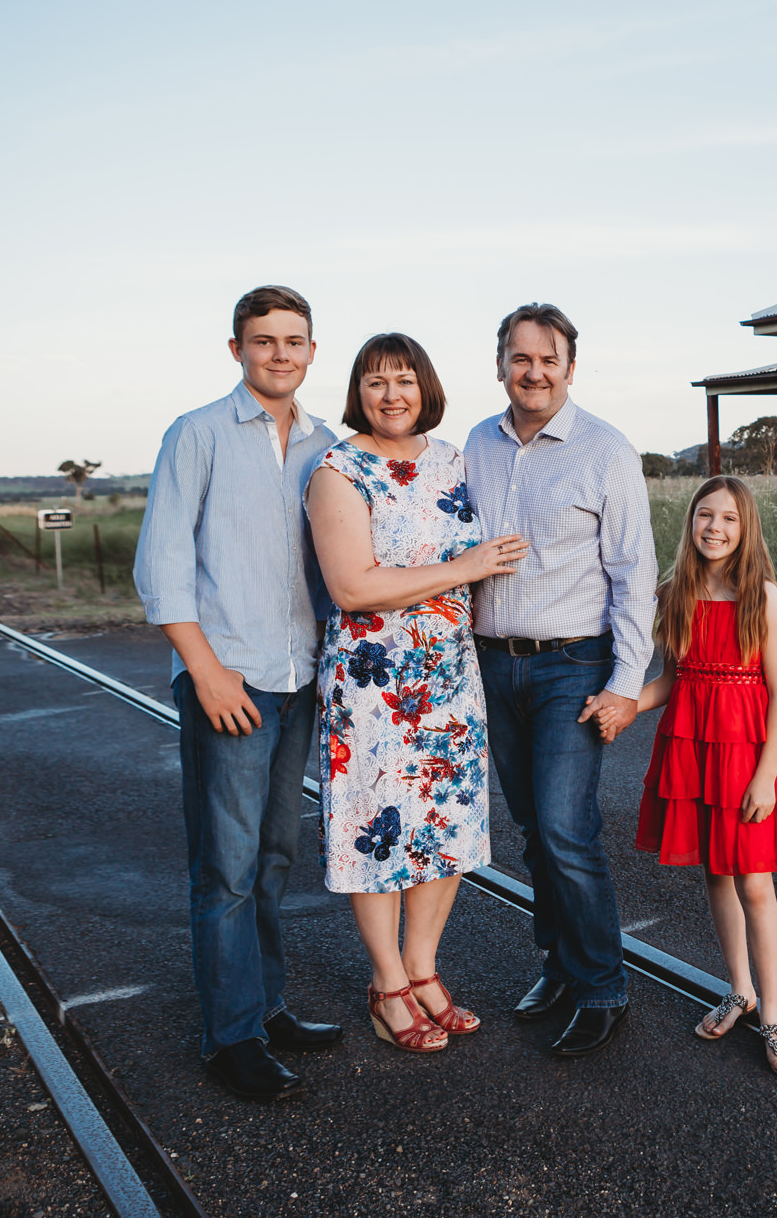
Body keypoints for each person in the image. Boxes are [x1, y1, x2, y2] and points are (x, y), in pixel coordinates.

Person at [133, 285, 345, 1101]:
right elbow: (163, 566)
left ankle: (267, 1004)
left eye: (294, 340)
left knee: (274, 857)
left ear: (312, 351)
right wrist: (206, 669)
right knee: (223, 867)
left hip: (300, 679)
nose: (280, 353)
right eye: (264, 341)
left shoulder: (327, 445)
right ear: (237, 349)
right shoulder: (197, 434)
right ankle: (231, 1037)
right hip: (231, 681)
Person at [306, 334, 529, 1053]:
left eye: (404, 380)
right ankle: (386, 982)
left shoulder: (452, 462)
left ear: (424, 387)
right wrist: (461, 567)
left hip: (449, 677)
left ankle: (424, 968)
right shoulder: (337, 470)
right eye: (376, 382)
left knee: (444, 829)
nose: (391, 394)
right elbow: (353, 585)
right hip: (372, 684)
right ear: (358, 393)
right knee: (381, 835)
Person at [464, 303, 656, 1057]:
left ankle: (604, 985)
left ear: (569, 367)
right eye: (520, 358)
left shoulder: (607, 450)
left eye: (548, 359)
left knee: (566, 828)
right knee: (532, 832)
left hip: (571, 665)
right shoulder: (475, 444)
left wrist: (627, 684)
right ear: (502, 363)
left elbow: (634, 575)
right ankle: (560, 965)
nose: (534, 371)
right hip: (491, 661)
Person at [632, 475, 777, 1074]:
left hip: (748, 755)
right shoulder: (674, 592)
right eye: (704, 515)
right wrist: (624, 703)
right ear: (690, 524)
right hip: (694, 751)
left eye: (729, 518)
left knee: (755, 883)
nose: (715, 527)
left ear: (746, 527)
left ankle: (776, 1017)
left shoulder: (762, 595)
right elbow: (673, 681)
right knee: (716, 875)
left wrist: (765, 777)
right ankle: (739, 989)